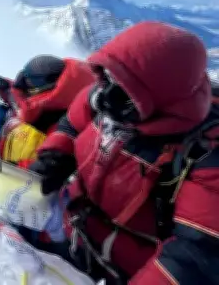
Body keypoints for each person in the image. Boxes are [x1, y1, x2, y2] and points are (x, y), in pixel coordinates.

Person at [32, 21, 219, 284]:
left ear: (159, 97)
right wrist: (55, 156)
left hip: (131, 271)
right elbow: (72, 123)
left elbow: (192, 257)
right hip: (74, 233)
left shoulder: (207, 153)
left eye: (123, 89)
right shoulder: (110, 97)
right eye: (106, 78)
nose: (105, 96)